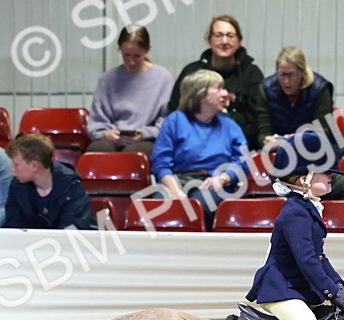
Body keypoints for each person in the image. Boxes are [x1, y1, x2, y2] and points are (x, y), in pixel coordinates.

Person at [244, 130, 344, 320]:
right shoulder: (294, 213)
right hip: (279, 290)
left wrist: (338, 284)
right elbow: (306, 261)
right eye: (324, 172)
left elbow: (319, 258)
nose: (331, 176)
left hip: (297, 289)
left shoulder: (308, 209)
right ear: (304, 179)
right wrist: (328, 290)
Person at [151, 69, 248, 228]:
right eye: (218, 88)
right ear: (200, 94)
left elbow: (244, 161)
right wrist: (174, 191)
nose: (225, 93)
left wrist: (223, 178)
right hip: (178, 180)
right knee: (159, 205)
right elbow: (160, 162)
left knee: (201, 204)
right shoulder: (175, 121)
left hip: (214, 182)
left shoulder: (230, 125)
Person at [167, 15, 264, 150]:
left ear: (239, 41)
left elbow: (256, 121)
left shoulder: (252, 74)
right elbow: (175, 111)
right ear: (209, 40)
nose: (224, 41)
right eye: (218, 35)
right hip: (192, 147)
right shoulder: (192, 72)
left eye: (230, 36)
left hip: (237, 146)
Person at [86, 25, 173, 155]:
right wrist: (106, 133)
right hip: (113, 137)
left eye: (137, 56)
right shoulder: (107, 79)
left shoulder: (163, 78)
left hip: (148, 139)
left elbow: (167, 120)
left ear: (147, 50)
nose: (131, 62)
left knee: (133, 155)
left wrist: (145, 133)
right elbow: (97, 120)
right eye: (126, 55)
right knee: (98, 151)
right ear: (120, 50)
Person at [3, 133, 96, 230]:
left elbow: (73, 228)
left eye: (16, 165)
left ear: (34, 165)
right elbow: (14, 226)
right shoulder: (17, 185)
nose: (12, 169)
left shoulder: (71, 186)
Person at [256, 46, 334, 144]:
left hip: (314, 148)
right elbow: (263, 132)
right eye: (281, 74)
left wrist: (301, 139)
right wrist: (267, 140)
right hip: (278, 149)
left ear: (302, 73)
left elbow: (323, 132)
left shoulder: (320, 88)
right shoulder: (266, 89)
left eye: (291, 75)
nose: (286, 81)